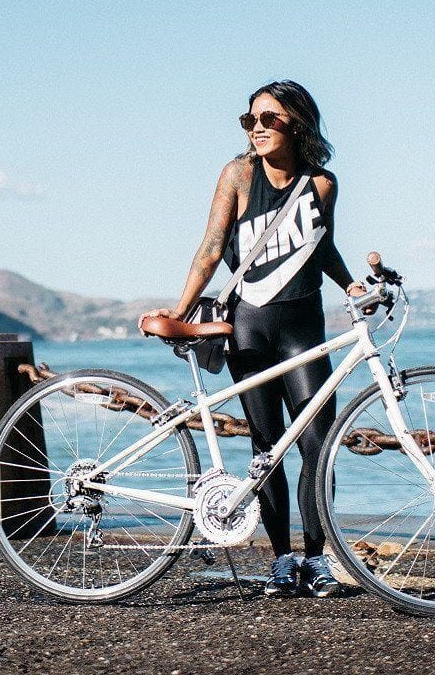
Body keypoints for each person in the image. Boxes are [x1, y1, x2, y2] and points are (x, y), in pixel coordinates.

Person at [142, 79, 366, 598]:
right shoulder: (238, 174)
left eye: (270, 119)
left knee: (318, 446)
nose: (258, 128)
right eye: (251, 120)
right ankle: (282, 559)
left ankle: (317, 559)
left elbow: (322, 245)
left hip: (304, 324)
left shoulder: (323, 184)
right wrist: (178, 314)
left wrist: (351, 283)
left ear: (298, 124)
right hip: (249, 323)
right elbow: (210, 248)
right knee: (266, 448)